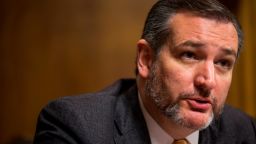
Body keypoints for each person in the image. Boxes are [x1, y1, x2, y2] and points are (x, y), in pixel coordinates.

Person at [34, 0, 256, 143]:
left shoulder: (244, 131)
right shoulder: (75, 127)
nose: (208, 81)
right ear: (146, 59)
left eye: (223, 63)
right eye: (189, 55)